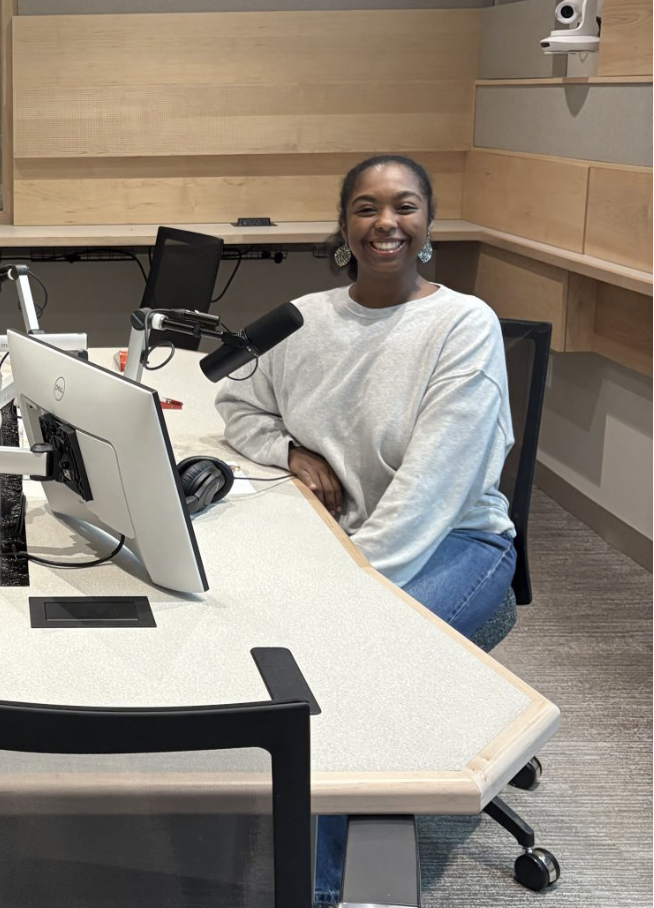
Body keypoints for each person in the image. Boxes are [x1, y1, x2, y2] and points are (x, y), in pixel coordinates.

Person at [214, 154, 516, 904]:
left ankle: (320, 889)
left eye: (405, 206)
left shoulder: (460, 326)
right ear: (343, 226)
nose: (387, 223)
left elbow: (430, 494)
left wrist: (342, 594)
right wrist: (292, 450)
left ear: (428, 222)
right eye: (367, 208)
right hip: (337, 540)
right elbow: (236, 407)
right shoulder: (305, 319)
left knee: (348, 666)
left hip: (455, 545)